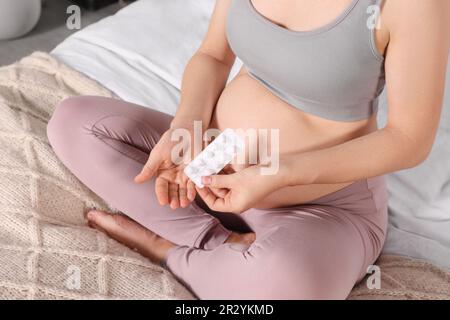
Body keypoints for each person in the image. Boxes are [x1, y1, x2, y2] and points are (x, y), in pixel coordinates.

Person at [47, 0, 450, 299]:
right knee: (74, 123)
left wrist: (280, 173)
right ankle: (215, 242)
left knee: (288, 284)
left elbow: (408, 140)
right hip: (206, 165)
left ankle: (168, 250)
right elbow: (212, 55)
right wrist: (186, 129)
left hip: (320, 206)